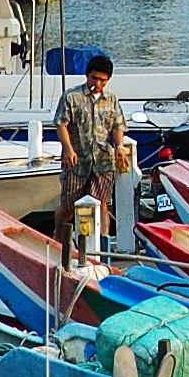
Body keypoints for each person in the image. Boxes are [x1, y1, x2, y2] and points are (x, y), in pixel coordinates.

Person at [55, 50, 136, 262]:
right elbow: (61, 124)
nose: (97, 83)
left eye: (102, 80)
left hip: (102, 161)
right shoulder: (72, 97)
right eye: (94, 78)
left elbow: (118, 125)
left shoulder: (112, 100)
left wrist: (119, 147)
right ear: (86, 75)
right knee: (68, 206)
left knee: (101, 205)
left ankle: (102, 247)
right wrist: (68, 149)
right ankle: (58, 238)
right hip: (77, 160)